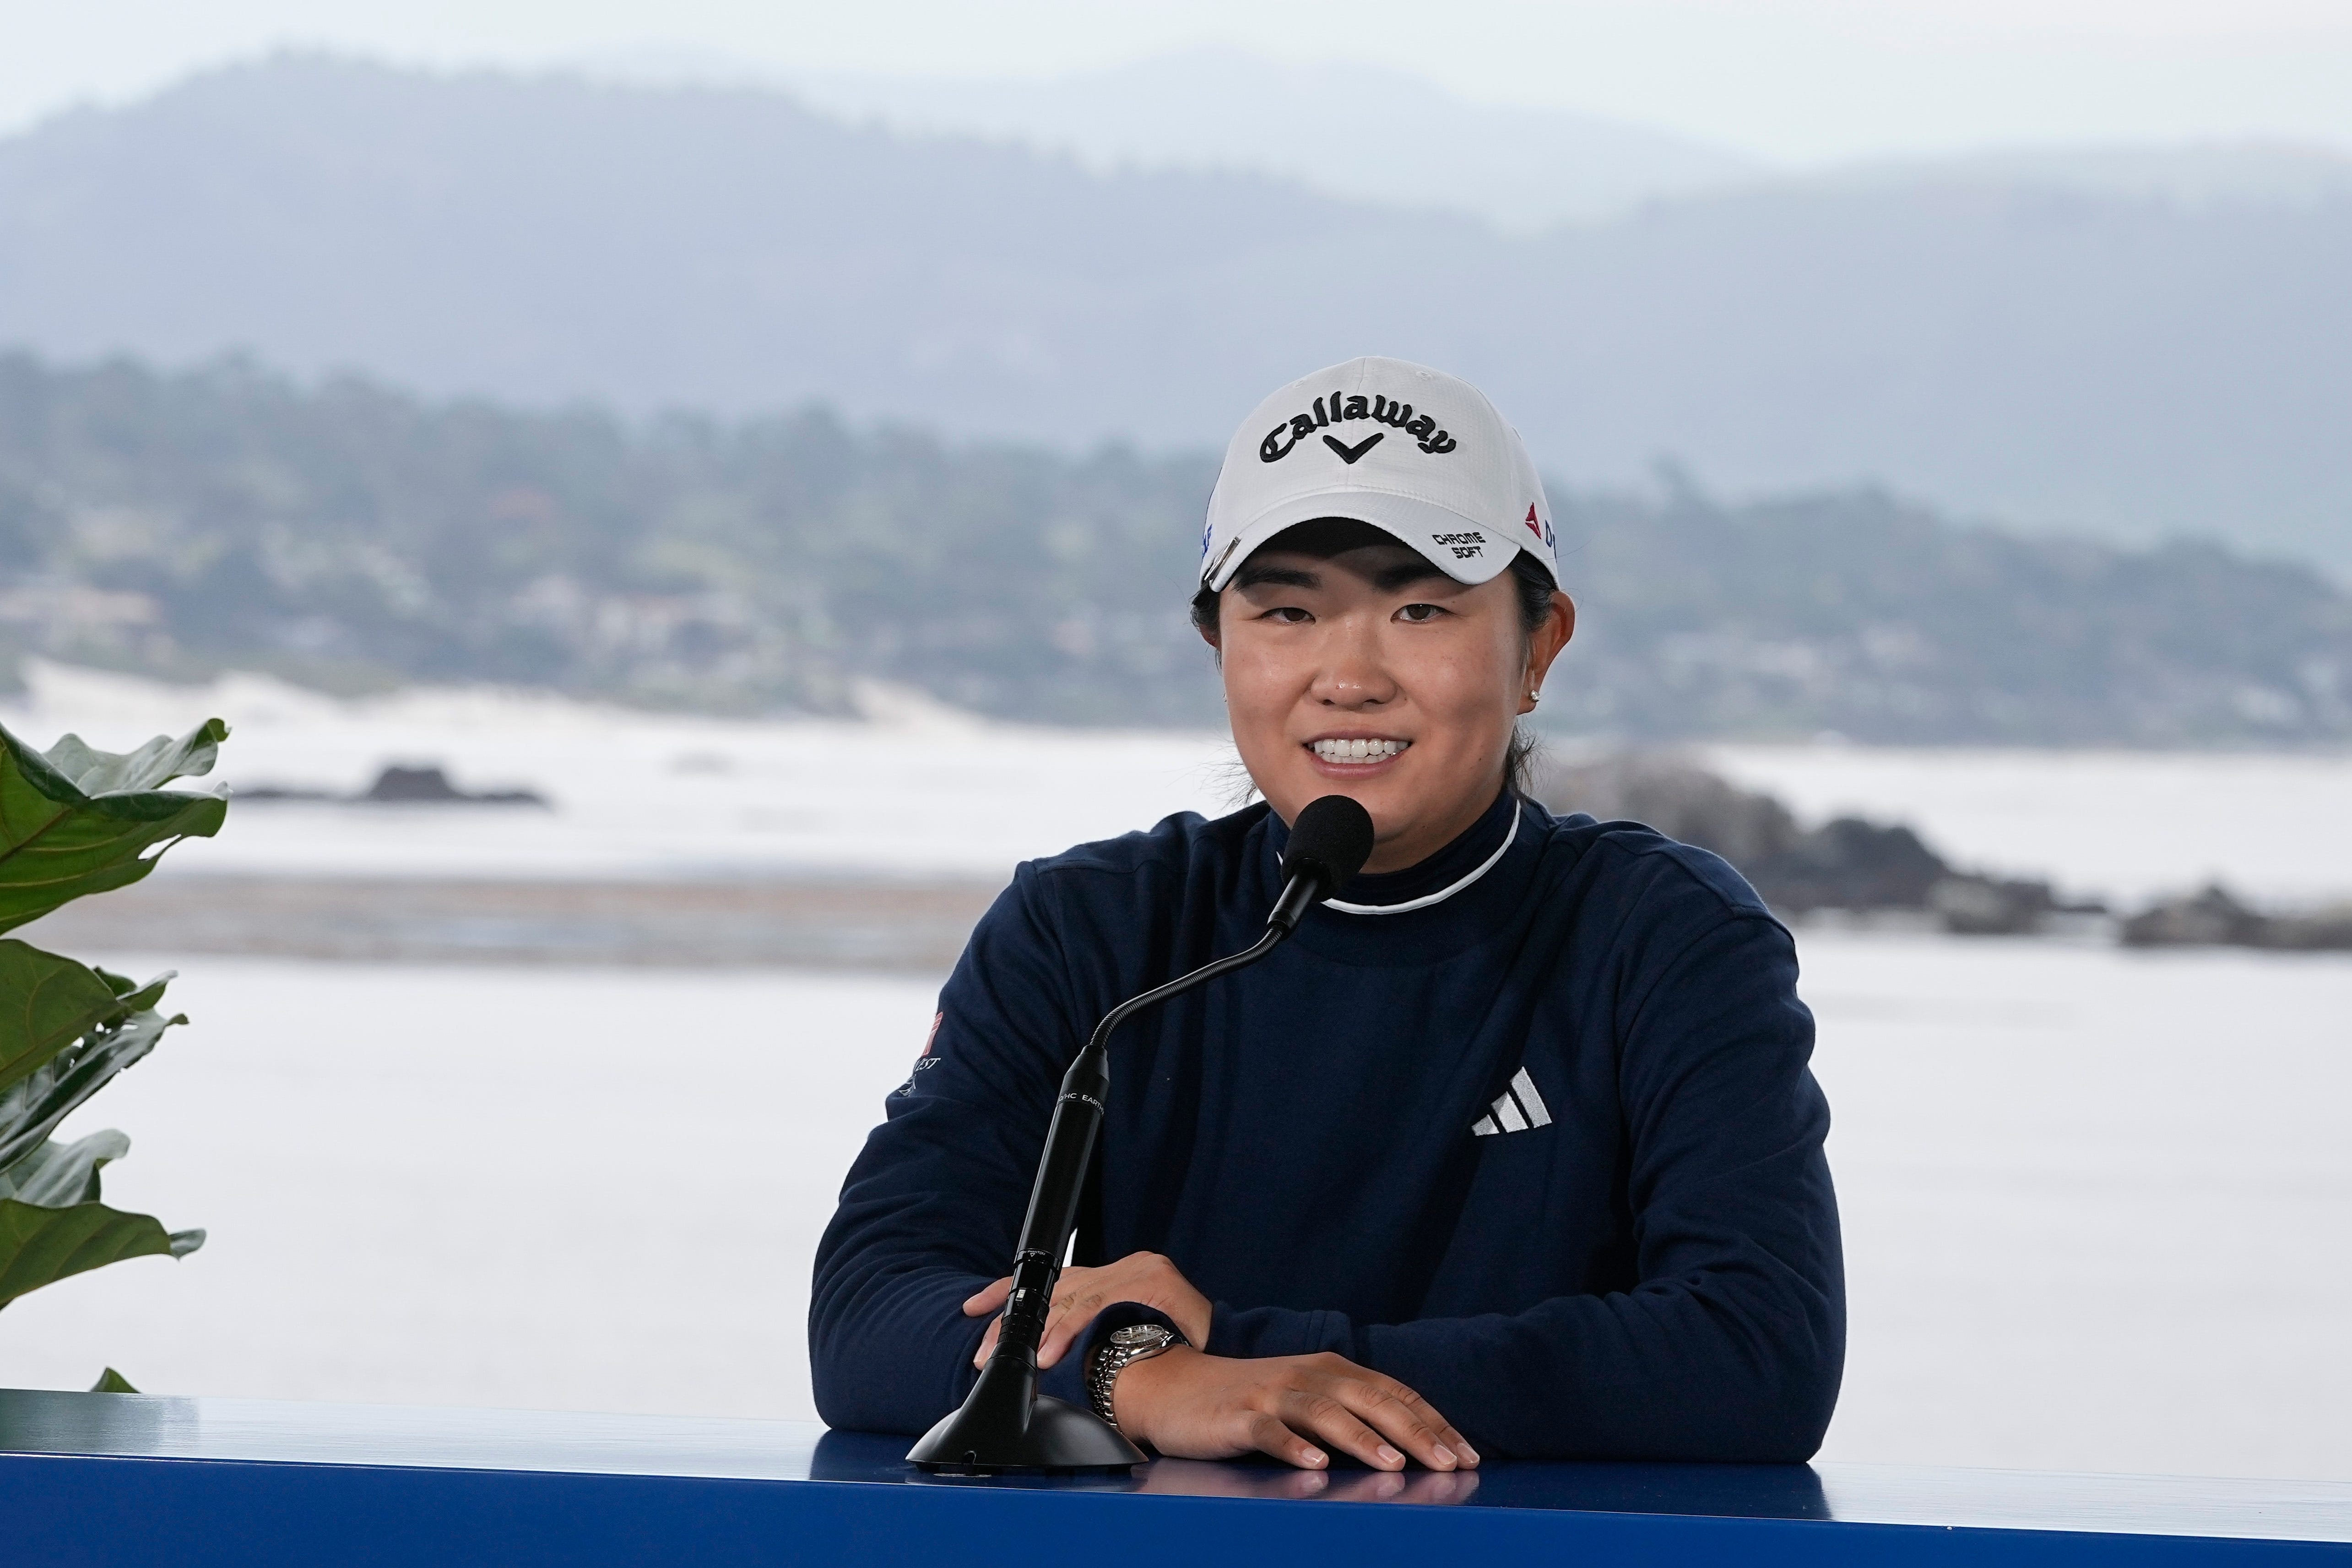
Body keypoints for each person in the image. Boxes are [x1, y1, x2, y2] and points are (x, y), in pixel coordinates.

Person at [810, 357, 1843, 1471]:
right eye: (1289, 610)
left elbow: (1756, 1355)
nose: (1348, 676)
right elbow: (869, 1314)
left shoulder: (1667, 939)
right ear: (1219, 648)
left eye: (1419, 608)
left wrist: (1251, 1361)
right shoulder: (1089, 931)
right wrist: (1139, 1375)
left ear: (1539, 647)